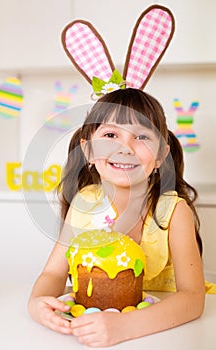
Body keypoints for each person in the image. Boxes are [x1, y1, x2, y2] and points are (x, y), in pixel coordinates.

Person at [28, 88, 206, 347]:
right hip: (93, 326)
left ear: (160, 155)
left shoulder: (174, 212)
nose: (125, 148)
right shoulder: (85, 203)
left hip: (163, 332)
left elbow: (193, 299)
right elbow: (54, 273)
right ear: (88, 149)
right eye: (111, 135)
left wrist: (125, 327)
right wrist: (38, 304)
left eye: (142, 137)